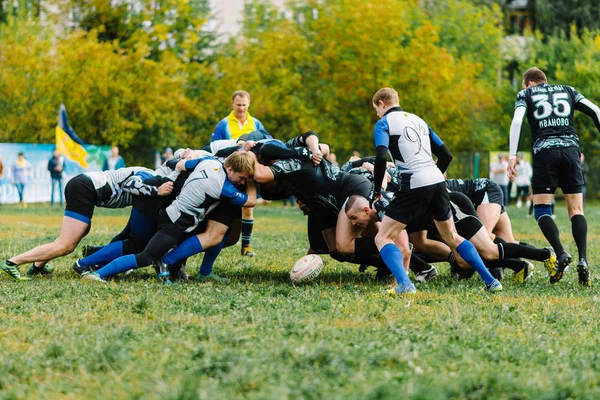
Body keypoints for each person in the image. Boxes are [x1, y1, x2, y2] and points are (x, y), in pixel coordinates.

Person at [370, 87, 502, 294]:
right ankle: (491, 281)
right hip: (437, 181)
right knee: (452, 236)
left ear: (381, 104)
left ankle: (404, 284)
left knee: (382, 237)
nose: (377, 113)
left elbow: (380, 157)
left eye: (376, 109)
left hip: (414, 181)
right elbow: (446, 155)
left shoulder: (384, 123)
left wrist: (377, 192)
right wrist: (432, 177)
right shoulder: (419, 121)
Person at [508, 66, 600, 286]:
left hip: (544, 153)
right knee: (576, 210)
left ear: (529, 83)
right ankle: (584, 260)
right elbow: (597, 111)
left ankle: (560, 253)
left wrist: (513, 155)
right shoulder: (568, 90)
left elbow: (518, 121)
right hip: (571, 151)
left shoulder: (526, 94)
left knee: (541, 208)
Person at [0, 167, 173, 281]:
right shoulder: (149, 176)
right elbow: (128, 185)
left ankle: (38, 266)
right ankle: (11, 262)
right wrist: (156, 191)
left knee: (81, 232)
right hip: (84, 187)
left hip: (84, 186)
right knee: (65, 245)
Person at [211, 90, 265, 257]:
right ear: (232, 104)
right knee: (229, 206)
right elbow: (215, 145)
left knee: (249, 207)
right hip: (230, 172)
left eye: (244, 105)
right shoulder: (223, 124)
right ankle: (217, 239)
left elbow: (266, 139)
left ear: (248, 105)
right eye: (238, 105)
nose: (241, 108)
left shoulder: (255, 123)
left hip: (248, 170)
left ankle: (246, 246)